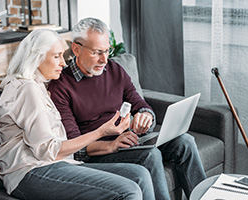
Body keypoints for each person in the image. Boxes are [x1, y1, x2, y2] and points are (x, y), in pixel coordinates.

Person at [49, 17, 207, 199]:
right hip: (100, 152)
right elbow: (74, 148)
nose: (104, 59)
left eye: (107, 51)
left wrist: (145, 115)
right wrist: (111, 145)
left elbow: (141, 104)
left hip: (129, 141)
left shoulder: (115, 70)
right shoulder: (60, 86)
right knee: (150, 155)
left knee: (185, 142)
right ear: (76, 49)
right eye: (97, 52)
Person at [0, 29, 156, 200]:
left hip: (61, 164)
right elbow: (49, 151)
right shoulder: (27, 89)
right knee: (128, 190)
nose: (63, 63)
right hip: (30, 172)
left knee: (139, 174)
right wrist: (102, 132)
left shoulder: (40, 87)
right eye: (56, 56)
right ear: (37, 57)